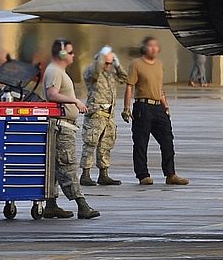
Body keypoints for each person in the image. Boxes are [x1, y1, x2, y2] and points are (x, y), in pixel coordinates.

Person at [40, 39, 99, 219]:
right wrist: (74, 101)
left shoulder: (58, 71)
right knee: (67, 165)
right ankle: (82, 205)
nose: (74, 56)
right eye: (71, 52)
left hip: (65, 126)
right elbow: (52, 94)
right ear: (63, 53)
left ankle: (51, 204)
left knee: (55, 166)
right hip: (61, 128)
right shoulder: (54, 71)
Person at [122, 37, 186, 186]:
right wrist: (126, 108)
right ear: (144, 48)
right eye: (150, 46)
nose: (153, 49)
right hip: (142, 107)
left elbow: (159, 88)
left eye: (156, 46)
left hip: (158, 107)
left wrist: (166, 106)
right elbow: (130, 86)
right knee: (141, 142)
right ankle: (143, 175)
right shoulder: (136, 64)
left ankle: (170, 174)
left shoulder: (159, 64)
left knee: (167, 140)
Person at [79, 46, 127, 187]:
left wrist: (117, 64)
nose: (108, 66)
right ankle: (85, 174)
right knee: (90, 144)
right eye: (106, 63)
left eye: (110, 63)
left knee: (106, 145)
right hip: (96, 115)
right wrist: (103, 56)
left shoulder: (110, 74)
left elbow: (125, 78)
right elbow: (95, 70)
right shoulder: (92, 72)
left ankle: (103, 174)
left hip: (108, 116)